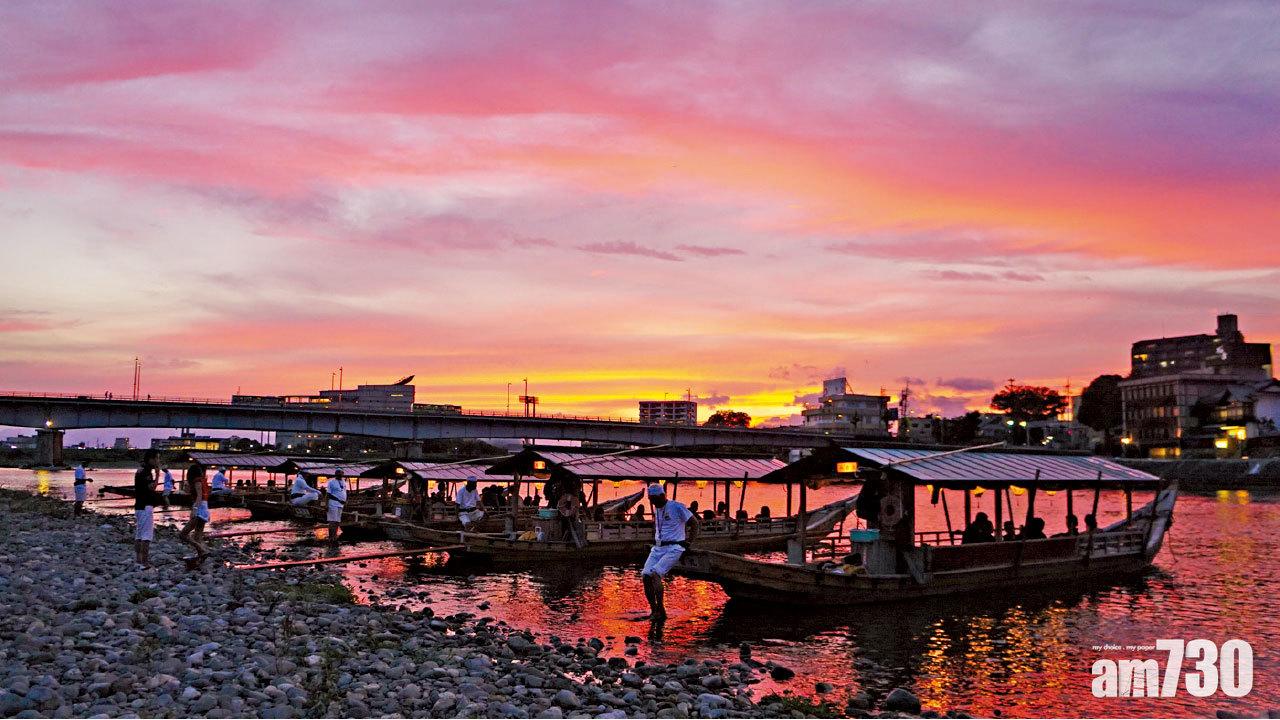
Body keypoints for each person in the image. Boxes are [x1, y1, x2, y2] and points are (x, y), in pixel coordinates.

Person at [640, 484, 698, 621]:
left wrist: (689, 542)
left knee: (655, 574)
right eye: (650, 500)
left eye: (654, 499)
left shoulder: (677, 506)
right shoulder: (657, 508)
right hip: (658, 547)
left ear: (662, 495)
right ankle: (654, 610)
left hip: (674, 547)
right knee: (645, 576)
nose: (652, 502)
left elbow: (695, 523)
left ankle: (661, 609)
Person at [133, 450, 163, 568]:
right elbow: (152, 487)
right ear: (151, 459)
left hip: (139, 505)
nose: (158, 461)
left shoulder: (140, 470)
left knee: (139, 534)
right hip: (146, 506)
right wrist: (158, 475)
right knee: (146, 535)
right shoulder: (146, 472)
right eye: (157, 458)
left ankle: (138, 560)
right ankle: (144, 562)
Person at [178, 463, 210, 559]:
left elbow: (199, 496)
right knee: (198, 536)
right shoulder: (202, 481)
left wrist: (194, 510)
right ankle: (202, 554)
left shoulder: (197, 482)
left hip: (200, 508)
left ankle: (201, 550)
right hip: (205, 507)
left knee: (183, 534)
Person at [326, 470, 348, 547]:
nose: (339, 475)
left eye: (341, 473)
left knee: (337, 521)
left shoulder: (344, 482)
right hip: (333, 503)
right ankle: (331, 537)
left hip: (341, 505)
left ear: (342, 474)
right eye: (338, 473)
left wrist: (345, 500)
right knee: (332, 521)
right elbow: (328, 494)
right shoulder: (331, 482)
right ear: (335, 474)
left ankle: (334, 536)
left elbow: (344, 492)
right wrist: (326, 505)